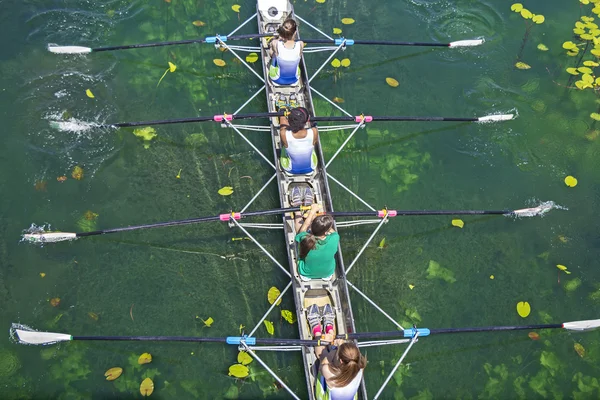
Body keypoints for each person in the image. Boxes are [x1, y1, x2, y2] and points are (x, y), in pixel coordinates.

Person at [307, 308, 366, 400]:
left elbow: (324, 363)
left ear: (341, 361)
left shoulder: (329, 373)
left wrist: (333, 346)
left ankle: (317, 332)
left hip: (326, 397)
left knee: (322, 354)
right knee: (332, 349)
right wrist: (338, 346)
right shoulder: (361, 367)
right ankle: (329, 329)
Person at [295, 204, 339, 280]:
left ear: (312, 226)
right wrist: (317, 218)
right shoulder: (335, 237)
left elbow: (302, 231)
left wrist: (312, 213)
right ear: (326, 232)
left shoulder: (305, 239)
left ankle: (297, 211)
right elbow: (333, 232)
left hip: (305, 274)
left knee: (300, 227)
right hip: (327, 275)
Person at [279, 107, 318, 175]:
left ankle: (282, 109)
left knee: (284, 144)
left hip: (290, 170)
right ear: (307, 121)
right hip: (311, 168)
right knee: (312, 145)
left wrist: (282, 114)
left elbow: (283, 127)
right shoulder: (314, 131)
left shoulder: (283, 134)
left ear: (289, 121)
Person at [269, 18, 304, 85]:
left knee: (274, 54)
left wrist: (279, 38)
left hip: (277, 79)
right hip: (295, 79)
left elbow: (272, 54)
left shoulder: (275, 43)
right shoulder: (301, 44)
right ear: (295, 32)